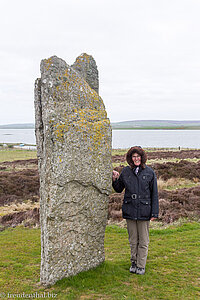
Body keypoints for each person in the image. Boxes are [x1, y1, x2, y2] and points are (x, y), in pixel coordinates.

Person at [112, 146, 159, 275]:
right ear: (130, 158)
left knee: (143, 241)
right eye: (134, 157)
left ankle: (141, 265)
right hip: (130, 210)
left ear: (142, 157)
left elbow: (154, 194)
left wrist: (154, 212)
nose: (136, 159)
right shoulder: (126, 171)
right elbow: (118, 189)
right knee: (133, 240)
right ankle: (134, 262)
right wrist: (115, 178)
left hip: (145, 211)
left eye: (138, 156)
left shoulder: (149, 172)